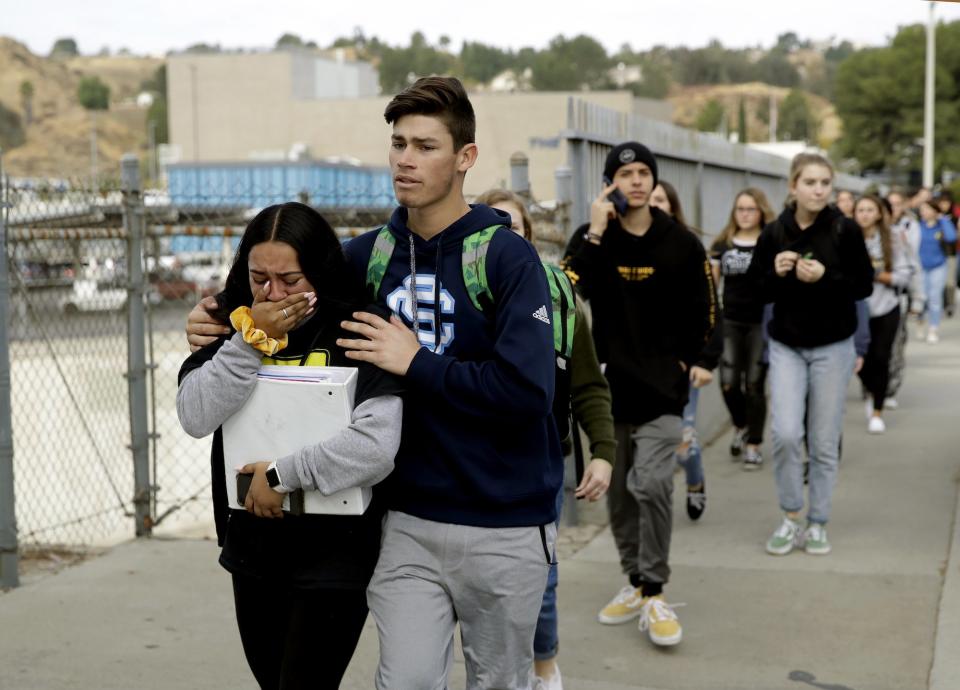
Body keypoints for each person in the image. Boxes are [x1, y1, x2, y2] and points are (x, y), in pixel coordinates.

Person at [186, 77, 562, 689]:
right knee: (406, 682)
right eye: (398, 144)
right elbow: (272, 295)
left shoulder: (507, 259)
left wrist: (417, 362)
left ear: (465, 158)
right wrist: (212, 320)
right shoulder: (365, 257)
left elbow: (528, 394)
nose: (406, 160)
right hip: (404, 518)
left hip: (503, 518)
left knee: (498, 681)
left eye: (425, 146)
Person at [176, 202, 404, 689]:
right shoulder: (230, 318)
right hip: (253, 549)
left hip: (335, 554)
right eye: (261, 278)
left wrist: (281, 475)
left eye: (291, 280)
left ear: (319, 271)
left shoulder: (358, 326)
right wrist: (250, 341)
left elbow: (377, 445)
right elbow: (195, 415)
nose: (274, 293)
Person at [562, 142, 716, 646]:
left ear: (653, 181)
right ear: (610, 183)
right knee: (621, 495)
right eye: (624, 173)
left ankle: (654, 587)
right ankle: (636, 583)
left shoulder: (681, 243)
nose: (635, 180)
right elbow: (566, 290)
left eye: (643, 172)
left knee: (651, 483)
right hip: (609, 392)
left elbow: (707, 308)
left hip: (663, 390)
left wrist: (700, 361)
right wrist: (598, 231)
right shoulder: (593, 238)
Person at [475, 187, 615, 690]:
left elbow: (588, 384)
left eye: (513, 228)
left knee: (541, 575)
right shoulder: (463, 297)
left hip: (539, 460)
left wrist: (602, 452)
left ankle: (544, 667)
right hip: (469, 458)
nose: (505, 238)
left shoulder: (557, 295)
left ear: (529, 239)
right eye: (493, 229)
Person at [747, 153, 873, 557]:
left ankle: (818, 521)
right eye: (811, 182)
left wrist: (826, 277)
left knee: (822, 440)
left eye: (825, 183)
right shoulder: (774, 233)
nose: (819, 189)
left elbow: (864, 286)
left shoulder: (844, 229)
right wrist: (776, 272)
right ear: (793, 186)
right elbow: (756, 290)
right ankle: (790, 515)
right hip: (786, 345)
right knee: (784, 433)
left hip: (833, 347)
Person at [648, 180, 721, 518]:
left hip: (683, 363)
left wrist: (705, 359)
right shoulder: (625, 246)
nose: (652, 204)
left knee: (682, 441)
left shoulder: (688, 247)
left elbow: (710, 309)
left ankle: (695, 479)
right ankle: (652, 504)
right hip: (641, 364)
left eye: (660, 199)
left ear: (672, 205)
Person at [710, 188, 776, 470]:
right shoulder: (722, 243)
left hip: (760, 321)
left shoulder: (771, 241)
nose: (745, 214)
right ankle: (741, 425)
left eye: (751, 209)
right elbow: (712, 288)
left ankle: (754, 445)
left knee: (754, 384)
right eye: (741, 209)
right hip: (731, 321)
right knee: (727, 382)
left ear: (761, 211)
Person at [853, 195, 912, 434]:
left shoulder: (894, 239)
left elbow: (905, 274)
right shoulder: (847, 238)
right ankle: (870, 389)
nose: (865, 214)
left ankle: (877, 411)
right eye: (860, 210)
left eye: (870, 210)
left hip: (886, 306)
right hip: (857, 309)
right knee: (861, 361)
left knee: (881, 357)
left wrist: (878, 275)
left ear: (879, 213)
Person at [885, 191, 924, 407]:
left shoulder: (909, 229)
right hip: (871, 299)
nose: (893, 209)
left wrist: (918, 299)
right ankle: (873, 386)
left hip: (898, 296)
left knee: (895, 345)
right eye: (890, 204)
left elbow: (914, 267)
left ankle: (889, 388)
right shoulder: (871, 230)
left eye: (897, 204)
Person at [917, 198, 958, 344]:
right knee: (922, 297)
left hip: (938, 266)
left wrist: (942, 219)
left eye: (927, 209)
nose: (924, 212)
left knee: (935, 298)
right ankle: (920, 322)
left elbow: (952, 237)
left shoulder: (941, 226)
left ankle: (933, 328)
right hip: (921, 267)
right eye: (922, 209)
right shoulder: (918, 226)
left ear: (934, 211)